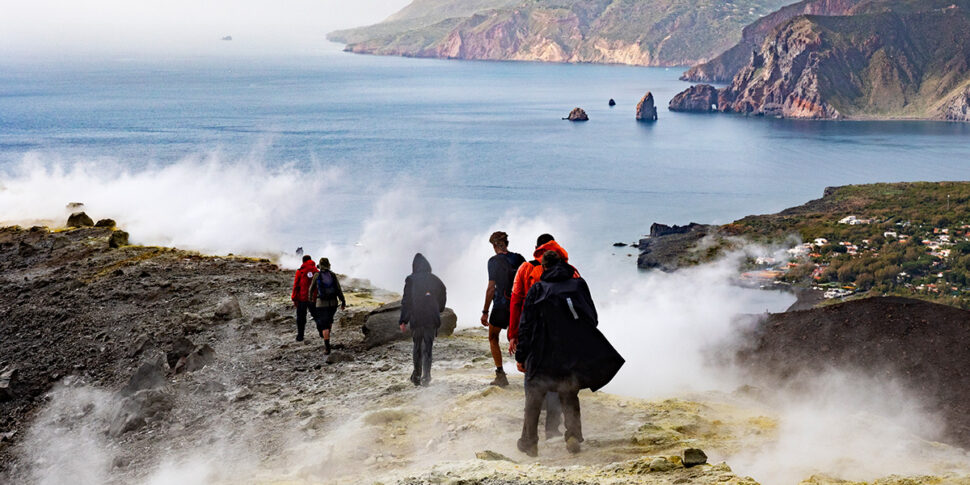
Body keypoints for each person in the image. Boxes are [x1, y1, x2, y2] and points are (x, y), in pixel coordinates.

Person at [515, 250, 625, 457]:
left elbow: (526, 326)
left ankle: (530, 442)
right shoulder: (579, 284)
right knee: (568, 391)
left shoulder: (538, 289)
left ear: (544, 268)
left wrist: (521, 356)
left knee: (534, 394)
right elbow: (592, 317)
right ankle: (573, 435)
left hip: (541, 353)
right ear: (563, 264)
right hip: (570, 352)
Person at [507, 234, 573, 438]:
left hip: (535, 338)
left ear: (537, 249)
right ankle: (552, 429)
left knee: (533, 385)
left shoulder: (526, 269)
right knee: (557, 383)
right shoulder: (570, 271)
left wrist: (513, 335)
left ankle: (529, 437)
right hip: (562, 338)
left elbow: (516, 302)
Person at [481, 231, 526, 387]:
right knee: (521, 339)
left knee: (493, 337)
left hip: (501, 306)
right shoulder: (519, 258)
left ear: (494, 245)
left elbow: (491, 288)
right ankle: (530, 372)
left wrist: (485, 312)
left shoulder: (493, 261)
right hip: (518, 306)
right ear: (506, 243)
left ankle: (500, 375)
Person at [399, 253, 447, 387]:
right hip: (431, 318)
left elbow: (406, 301)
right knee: (428, 348)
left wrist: (403, 320)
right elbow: (443, 292)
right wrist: (439, 308)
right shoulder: (435, 279)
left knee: (417, 347)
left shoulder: (411, 279)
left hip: (417, 318)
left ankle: (417, 375)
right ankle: (426, 376)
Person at [307, 257, 346, 355]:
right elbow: (338, 289)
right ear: (328, 265)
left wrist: (311, 299)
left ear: (320, 266)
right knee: (329, 321)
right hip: (333, 303)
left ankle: (327, 348)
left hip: (321, 304)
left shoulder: (317, 275)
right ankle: (327, 334)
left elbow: (311, 289)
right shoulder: (332, 275)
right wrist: (343, 301)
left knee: (323, 325)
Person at [290, 255, 318, 342]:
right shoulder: (316, 271)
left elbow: (296, 286)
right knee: (317, 316)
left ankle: (300, 336)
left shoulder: (300, 271)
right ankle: (322, 332)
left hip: (302, 299)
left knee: (301, 318)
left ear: (303, 261)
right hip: (313, 298)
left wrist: (294, 298)